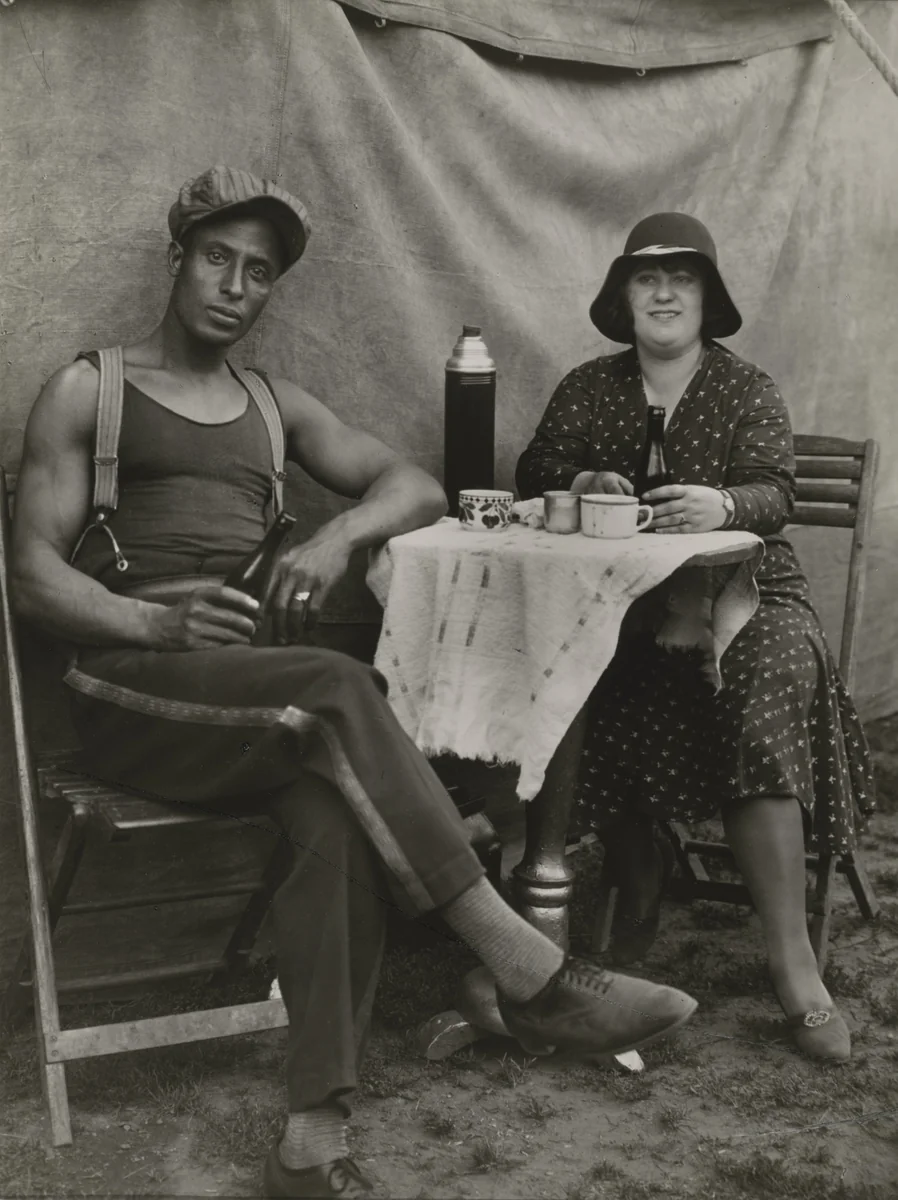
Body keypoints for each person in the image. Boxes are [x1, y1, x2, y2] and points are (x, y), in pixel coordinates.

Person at [11, 169, 697, 1199]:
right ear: (176, 260)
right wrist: (150, 617)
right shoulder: (91, 390)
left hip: (251, 705)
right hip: (127, 689)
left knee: (333, 809)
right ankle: (528, 971)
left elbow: (413, 483)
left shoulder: (269, 404)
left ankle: (311, 1131)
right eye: (217, 258)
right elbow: (27, 573)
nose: (235, 285)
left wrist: (338, 535)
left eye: (259, 272)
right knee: (338, 688)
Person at [516, 211, 875, 1065]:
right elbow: (533, 469)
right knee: (582, 669)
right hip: (631, 605)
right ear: (624, 297)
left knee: (766, 676)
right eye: (648, 278)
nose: (666, 292)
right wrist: (581, 477)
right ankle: (638, 879)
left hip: (748, 595)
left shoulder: (747, 389)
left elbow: (776, 492)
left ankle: (793, 962)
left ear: (709, 300)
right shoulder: (589, 388)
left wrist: (724, 503)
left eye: (684, 279)